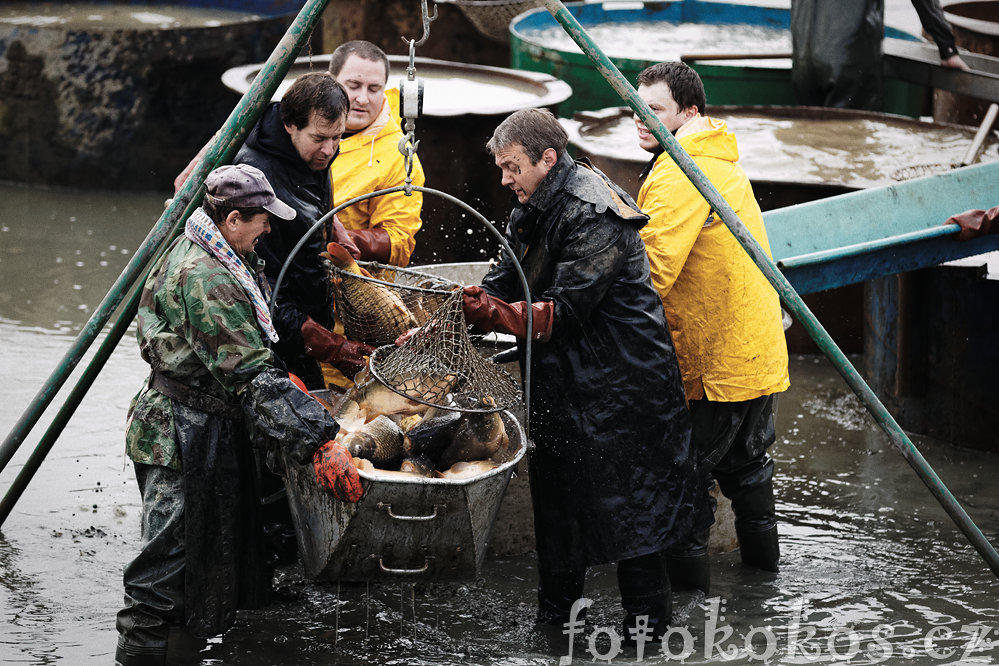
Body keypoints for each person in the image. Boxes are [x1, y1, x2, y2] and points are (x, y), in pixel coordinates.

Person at [461, 108, 709, 642]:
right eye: (501, 168)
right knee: (558, 510)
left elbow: (564, 312)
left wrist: (494, 314)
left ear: (547, 159)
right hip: (564, 386)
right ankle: (556, 631)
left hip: (626, 390)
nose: (504, 179)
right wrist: (458, 314)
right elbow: (507, 276)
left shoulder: (595, 212)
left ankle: (647, 639)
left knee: (635, 516)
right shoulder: (530, 203)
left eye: (512, 167)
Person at [115, 164, 361, 666]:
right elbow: (249, 373)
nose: (269, 228)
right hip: (177, 431)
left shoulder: (221, 251)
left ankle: (189, 648)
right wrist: (321, 439)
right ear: (231, 219)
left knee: (209, 546)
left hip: (208, 419)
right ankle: (138, 654)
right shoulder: (207, 278)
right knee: (167, 558)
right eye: (261, 220)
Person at [633, 61, 790, 593]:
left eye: (653, 110)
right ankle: (762, 590)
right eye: (637, 106)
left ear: (689, 113)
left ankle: (691, 620)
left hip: (716, 365)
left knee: (684, 484)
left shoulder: (681, 170)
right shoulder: (716, 159)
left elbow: (651, 272)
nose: (640, 118)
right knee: (749, 473)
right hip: (757, 353)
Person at [233, 71, 375, 392]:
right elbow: (261, 289)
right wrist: (330, 346)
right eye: (319, 138)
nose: (329, 149)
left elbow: (313, 201)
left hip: (304, 323)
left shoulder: (314, 156)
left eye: (338, 137)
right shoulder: (255, 179)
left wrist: (332, 227)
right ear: (289, 125)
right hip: (268, 339)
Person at [328, 40, 425, 267]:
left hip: (349, 281)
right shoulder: (301, 126)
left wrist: (332, 237)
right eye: (353, 86)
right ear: (329, 81)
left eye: (374, 89)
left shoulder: (398, 156)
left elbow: (400, 245)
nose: (363, 99)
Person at [791, 0, 970, 111]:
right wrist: (947, 48)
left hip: (803, 57)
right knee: (848, 146)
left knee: (813, 143)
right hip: (849, 58)